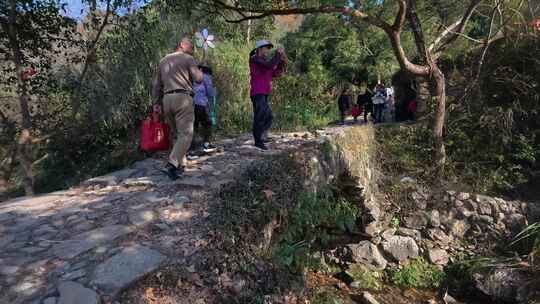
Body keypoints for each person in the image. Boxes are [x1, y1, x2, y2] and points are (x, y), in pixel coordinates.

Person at [152, 37, 203, 180]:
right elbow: (198, 79)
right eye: (191, 46)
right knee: (186, 134)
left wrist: (156, 103)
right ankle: (172, 163)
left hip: (166, 99)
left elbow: (156, 85)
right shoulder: (188, 58)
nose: (192, 49)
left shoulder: (163, 61)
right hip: (183, 98)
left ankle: (181, 164)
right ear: (182, 44)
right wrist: (199, 71)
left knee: (176, 134)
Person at [249, 40, 287, 150]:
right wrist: (278, 54)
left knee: (269, 116)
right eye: (266, 48)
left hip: (264, 92)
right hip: (257, 92)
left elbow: (275, 73)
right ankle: (258, 141)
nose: (267, 51)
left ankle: (262, 136)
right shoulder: (255, 59)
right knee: (260, 116)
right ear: (259, 49)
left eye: (268, 48)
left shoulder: (265, 62)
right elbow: (270, 65)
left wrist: (281, 63)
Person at [189, 65, 217, 158]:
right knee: (207, 123)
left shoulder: (191, 76)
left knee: (194, 125)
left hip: (190, 103)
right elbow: (210, 92)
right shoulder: (206, 76)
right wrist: (214, 92)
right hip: (200, 104)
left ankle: (192, 148)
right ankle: (206, 144)